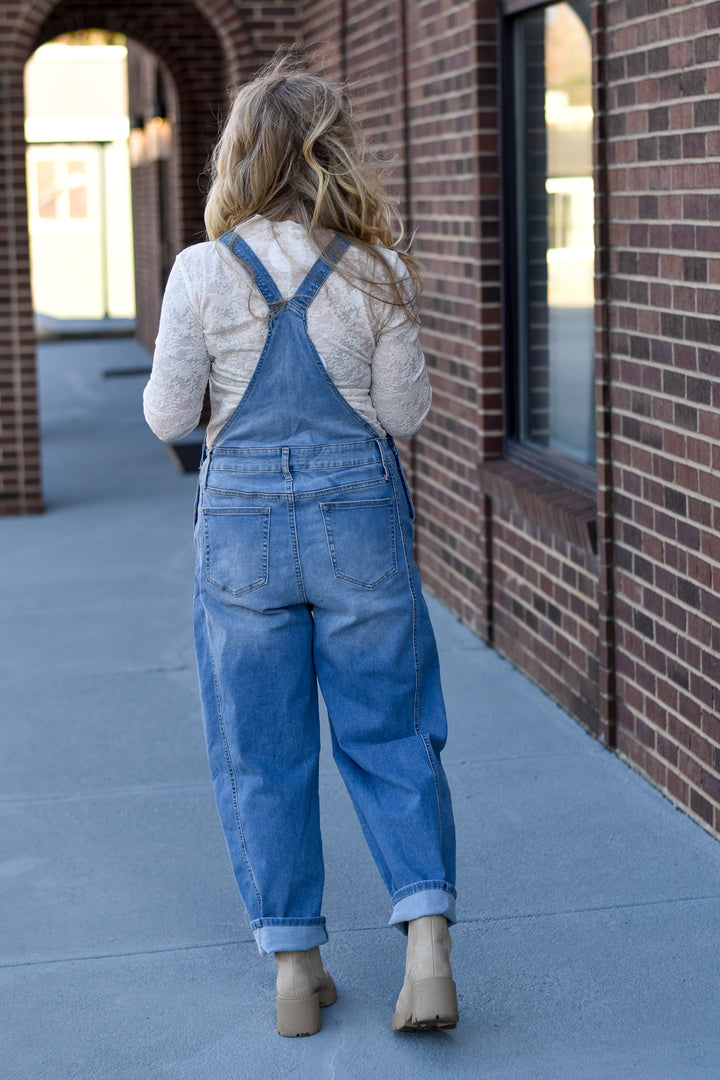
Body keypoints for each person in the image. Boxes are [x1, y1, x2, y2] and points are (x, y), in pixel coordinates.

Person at [143, 49, 458, 1038]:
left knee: (260, 748)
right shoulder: (377, 268)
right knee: (392, 729)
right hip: (357, 518)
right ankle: (427, 949)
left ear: (241, 156)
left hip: (242, 531)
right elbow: (404, 417)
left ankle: (295, 968)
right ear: (334, 153)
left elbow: (169, 418)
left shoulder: (201, 271)